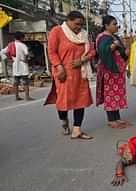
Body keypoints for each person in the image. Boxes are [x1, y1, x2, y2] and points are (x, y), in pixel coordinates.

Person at [45, 11, 94, 139]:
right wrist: (59, 67)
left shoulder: (84, 34)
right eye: (77, 24)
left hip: (80, 72)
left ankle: (77, 129)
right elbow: (51, 52)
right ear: (68, 20)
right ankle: (64, 121)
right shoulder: (57, 31)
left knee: (81, 100)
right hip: (63, 73)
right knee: (63, 101)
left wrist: (82, 60)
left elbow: (92, 52)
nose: (79, 27)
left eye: (81, 25)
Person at [96, 15, 130, 129]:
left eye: (116, 24)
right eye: (114, 24)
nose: (117, 26)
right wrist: (113, 46)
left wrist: (126, 51)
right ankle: (111, 120)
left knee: (117, 94)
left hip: (118, 70)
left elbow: (122, 53)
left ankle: (117, 118)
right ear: (106, 25)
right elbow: (102, 52)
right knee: (110, 94)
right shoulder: (103, 37)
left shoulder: (115, 37)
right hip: (109, 70)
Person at [0, 32, 34, 101]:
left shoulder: (10, 45)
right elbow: (27, 54)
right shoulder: (23, 45)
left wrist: (8, 59)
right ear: (21, 38)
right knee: (25, 81)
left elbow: (2, 52)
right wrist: (27, 59)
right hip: (23, 65)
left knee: (16, 82)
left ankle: (17, 97)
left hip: (15, 64)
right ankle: (27, 97)